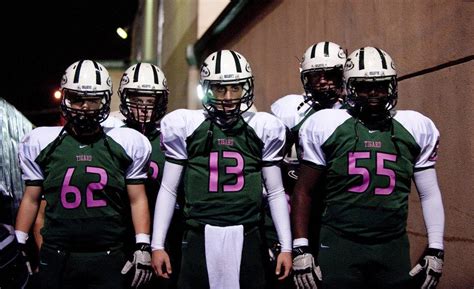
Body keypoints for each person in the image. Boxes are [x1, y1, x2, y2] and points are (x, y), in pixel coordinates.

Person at [291, 47, 445, 289]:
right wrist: (301, 246)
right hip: (340, 243)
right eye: (364, 86)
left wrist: (436, 247)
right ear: (350, 86)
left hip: (392, 244)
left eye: (381, 84)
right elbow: (303, 190)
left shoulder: (416, 126)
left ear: (392, 84)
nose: (374, 92)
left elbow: (429, 192)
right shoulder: (326, 124)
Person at [151, 49, 292, 289]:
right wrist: (157, 245)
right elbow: (168, 188)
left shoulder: (262, 126)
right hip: (198, 231)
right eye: (220, 88)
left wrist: (286, 247)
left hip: (248, 232)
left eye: (235, 88)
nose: (228, 96)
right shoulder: (186, 125)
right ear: (207, 89)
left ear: (245, 88)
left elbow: (276, 191)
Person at [14, 59, 153, 289]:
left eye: (93, 99)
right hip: (58, 253)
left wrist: (143, 245)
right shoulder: (42, 142)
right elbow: (31, 198)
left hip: (108, 253)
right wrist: (20, 242)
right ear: (66, 98)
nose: (85, 107)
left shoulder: (125, 142)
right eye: (78, 99)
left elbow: (137, 199)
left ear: (105, 100)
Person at [269, 41, 347, 288]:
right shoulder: (291, 110)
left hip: (335, 209)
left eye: (330, 75)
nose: (323, 82)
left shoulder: (352, 112)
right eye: (315, 76)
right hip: (297, 204)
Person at [118, 62, 183, 289]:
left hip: (167, 235)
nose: (144, 108)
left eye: (150, 101)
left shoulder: (171, 137)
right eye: (137, 100)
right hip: (123, 234)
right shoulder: (115, 137)